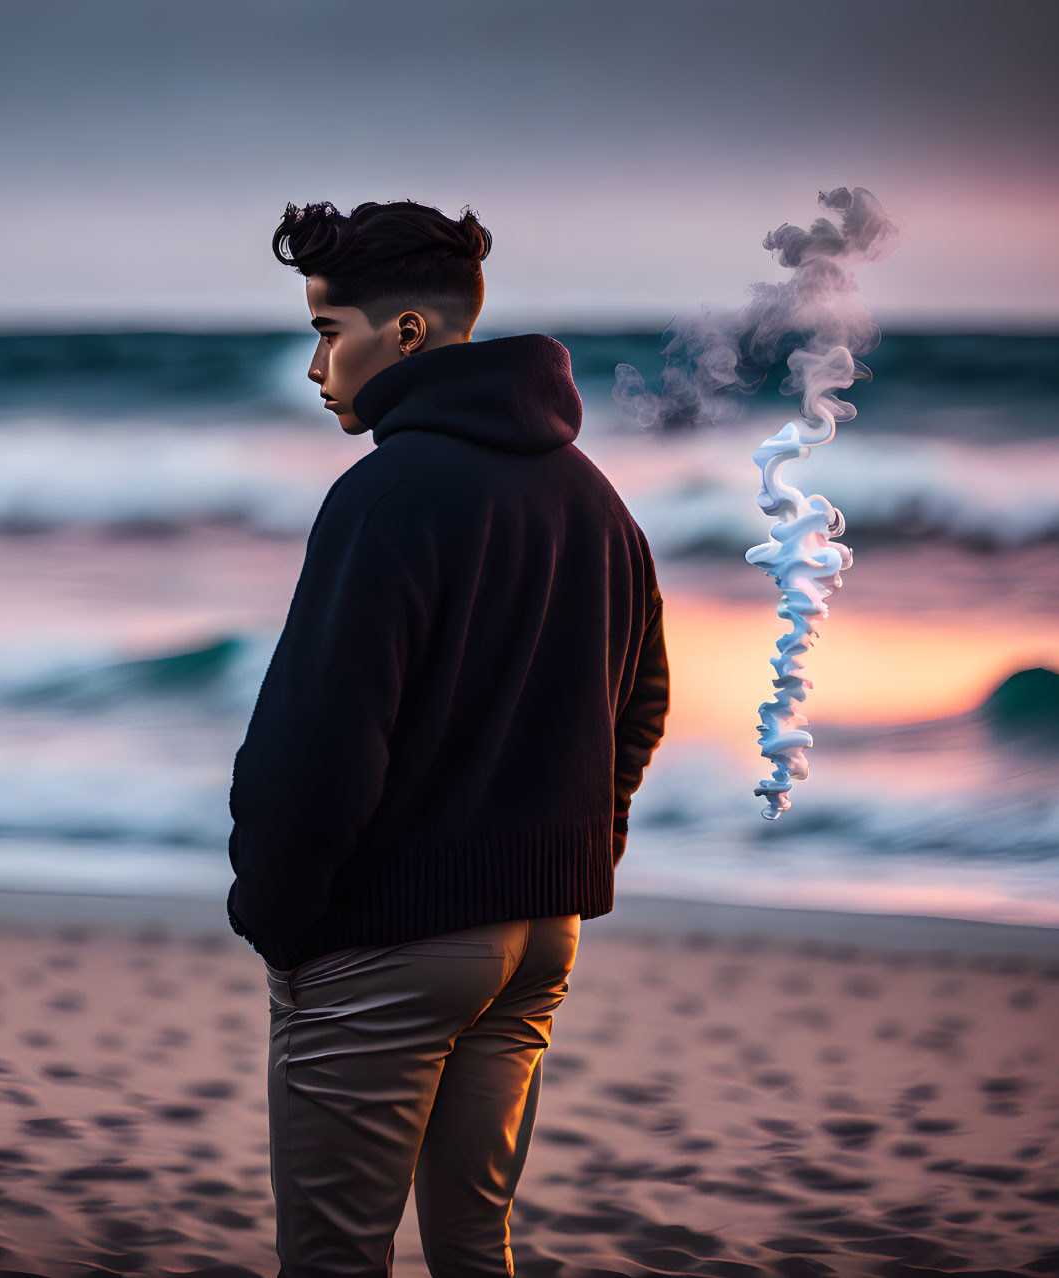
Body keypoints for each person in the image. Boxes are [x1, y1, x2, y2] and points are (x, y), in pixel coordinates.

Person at [225, 198, 670, 1277]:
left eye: (329, 332)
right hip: (536, 934)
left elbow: (322, 744)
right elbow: (642, 700)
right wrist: (574, 860)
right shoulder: (592, 497)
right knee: (476, 1246)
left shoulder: (383, 496)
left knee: (333, 1256)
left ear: (408, 334)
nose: (318, 366)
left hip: (390, 941)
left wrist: (276, 916)